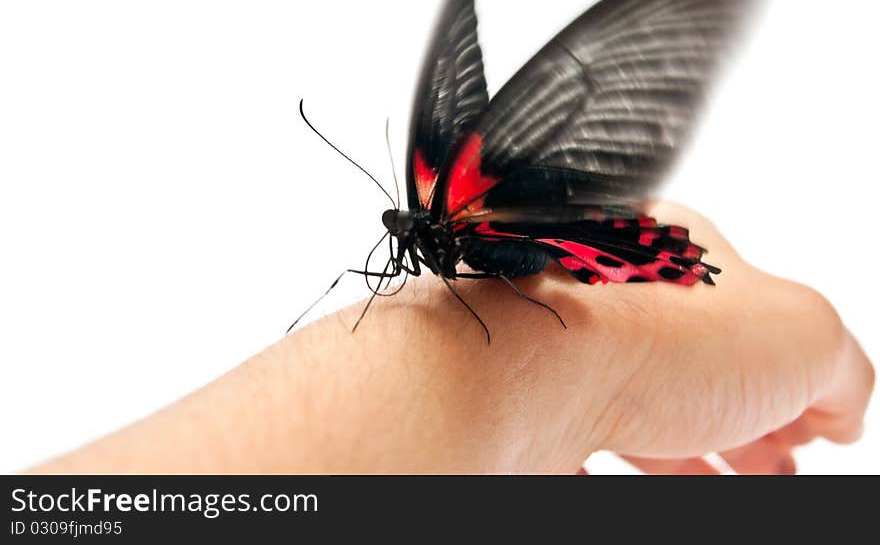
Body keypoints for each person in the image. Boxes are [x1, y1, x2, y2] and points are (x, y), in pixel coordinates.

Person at [30, 202, 873, 474]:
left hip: (555, 244)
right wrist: (601, 374)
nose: (396, 226)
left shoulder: (454, 195)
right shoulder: (425, 229)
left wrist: (608, 368)